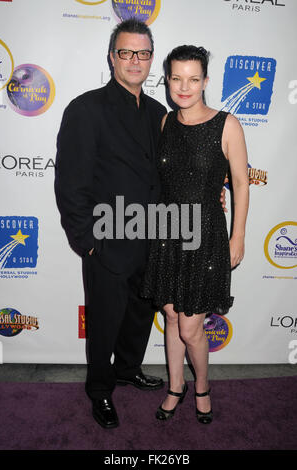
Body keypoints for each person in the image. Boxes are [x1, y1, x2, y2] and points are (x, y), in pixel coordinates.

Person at [54, 19, 167, 429]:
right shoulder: (86, 109)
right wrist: (87, 241)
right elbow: (70, 182)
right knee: (103, 322)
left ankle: (128, 369)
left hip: (153, 237)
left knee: (140, 315)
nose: (135, 61)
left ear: (151, 58)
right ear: (112, 57)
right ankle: (100, 390)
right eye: (126, 52)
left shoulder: (159, 113)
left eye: (142, 53)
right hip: (105, 242)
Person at [141, 45, 249, 424]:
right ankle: (175, 386)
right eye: (176, 78)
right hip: (167, 231)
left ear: (205, 81)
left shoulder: (227, 124)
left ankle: (201, 385)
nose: (184, 87)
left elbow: (239, 182)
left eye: (193, 78)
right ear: (167, 80)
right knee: (171, 317)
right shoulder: (165, 123)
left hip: (206, 236)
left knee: (190, 327)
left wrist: (238, 237)